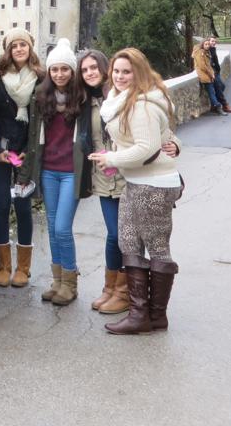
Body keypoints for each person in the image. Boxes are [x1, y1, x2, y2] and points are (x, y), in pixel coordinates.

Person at [90, 48, 183, 335]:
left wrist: (111, 159)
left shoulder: (142, 104)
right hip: (136, 182)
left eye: (126, 72)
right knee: (129, 243)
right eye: (116, 71)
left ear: (139, 73)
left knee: (156, 247)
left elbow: (146, 147)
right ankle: (140, 313)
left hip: (154, 184)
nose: (119, 77)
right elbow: (163, 136)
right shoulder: (121, 100)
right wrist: (175, 143)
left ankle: (154, 315)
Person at [24, 39, 86, 306]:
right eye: (55, 69)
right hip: (48, 170)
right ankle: (58, 281)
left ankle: (70, 283)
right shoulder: (41, 97)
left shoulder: (83, 98)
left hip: (71, 171)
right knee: (52, 227)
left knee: (62, 227)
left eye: (65, 69)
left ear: (72, 71)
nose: (60, 74)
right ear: (49, 71)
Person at [0, 29, 44, 288]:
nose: (19, 49)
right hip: (1, 149)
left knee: (23, 205)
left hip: (26, 150)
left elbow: (42, 118)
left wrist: (30, 150)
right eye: (14, 45)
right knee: (2, 204)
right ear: (8, 49)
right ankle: (3, 266)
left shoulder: (40, 77)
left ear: (30, 48)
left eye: (23, 44)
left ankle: (23, 268)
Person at [77, 49, 129, 315]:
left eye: (93, 67)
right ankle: (110, 289)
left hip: (128, 175)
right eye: (84, 70)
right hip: (104, 177)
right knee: (113, 234)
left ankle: (124, 292)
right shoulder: (84, 101)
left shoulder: (122, 96)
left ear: (104, 67)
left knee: (126, 235)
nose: (90, 73)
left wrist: (173, 144)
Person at [192, 39, 227, 115]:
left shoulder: (206, 52)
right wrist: (211, 74)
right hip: (204, 75)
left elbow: (209, 65)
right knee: (211, 92)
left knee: (216, 89)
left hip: (208, 75)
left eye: (208, 44)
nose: (207, 46)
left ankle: (214, 106)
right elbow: (202, 66)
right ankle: (218, 107)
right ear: (202, 45)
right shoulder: (200, 53)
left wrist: (212, 73)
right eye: (206, 44)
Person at [208, 37, 231, 112]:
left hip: (216, 72)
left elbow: (215, 61)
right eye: (212, 41)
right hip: (212, 73)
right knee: (219, 87)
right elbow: (209, 63)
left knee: (222, 86)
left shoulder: (213, 49)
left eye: (215, 41)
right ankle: (225, 105)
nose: (214, 42)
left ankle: (214, 105)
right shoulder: (208, 50)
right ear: (208, 41)